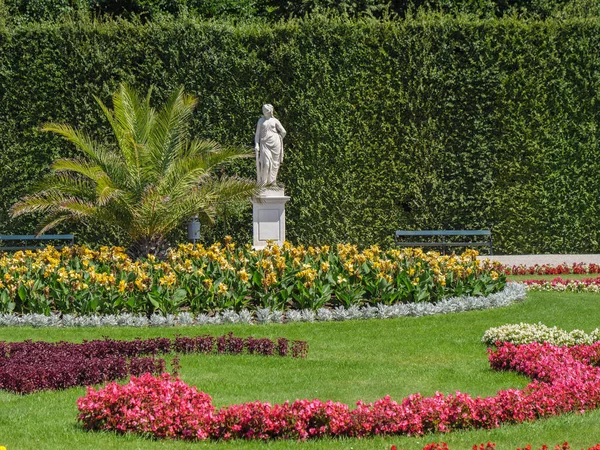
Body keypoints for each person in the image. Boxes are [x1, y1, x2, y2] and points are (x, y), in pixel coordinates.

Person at [254, 104, 286, 185]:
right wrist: (256, 144)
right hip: (264, 144)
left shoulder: (275, 121)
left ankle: (272, 182)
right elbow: (257, 134)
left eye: (266, 110)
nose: (264, 112)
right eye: (263, 110)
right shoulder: (261, 121)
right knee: (266, 164)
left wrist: (279, 138)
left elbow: (283, 131)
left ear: (270, 111)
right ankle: (263, 183)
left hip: (275, 144)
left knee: (275, 163)